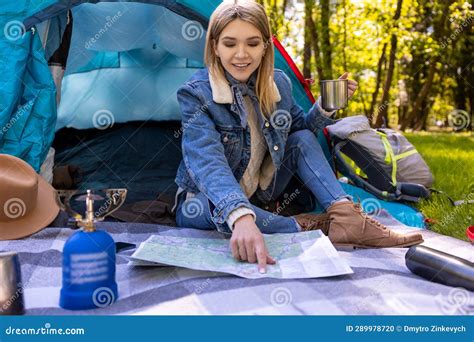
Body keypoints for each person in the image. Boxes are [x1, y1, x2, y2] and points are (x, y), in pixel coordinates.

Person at [173, 0, 423, 273]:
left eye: (253, 43)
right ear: (215, 47)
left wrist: (325, 106)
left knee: (302, 137)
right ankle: (312, 225)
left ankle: (345, 215)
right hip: (204, 200)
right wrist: (241, 216)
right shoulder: (196, 93)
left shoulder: (277, 82)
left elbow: (299, 128)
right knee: (222, 213)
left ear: (266, 46)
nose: (241, 54)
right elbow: (206, 162)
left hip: (261, 190)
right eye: (230, 44)